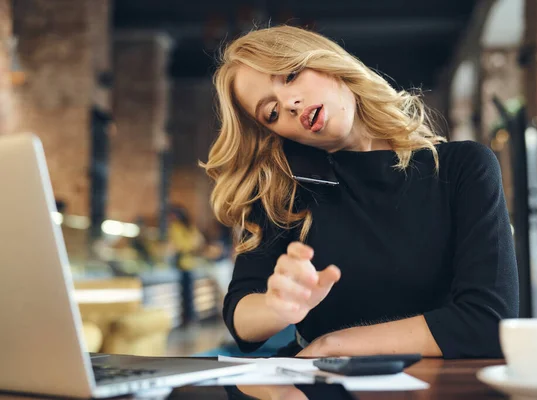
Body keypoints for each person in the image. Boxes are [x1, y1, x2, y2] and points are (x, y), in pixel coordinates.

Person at [201, 26, 519, 358]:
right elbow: (239, 315)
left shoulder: (464, 167)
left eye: (291, 75)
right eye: (272, 113)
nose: (289, 104)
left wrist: (335, 344)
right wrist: (275, 306)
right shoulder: (282, 188)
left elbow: (489, 322)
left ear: (325, 61)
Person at [167, 205, 204, 326]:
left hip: (183, 265)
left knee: (186, 294)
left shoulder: (176, 227)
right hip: (189, 264)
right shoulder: (189, 228)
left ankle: (188, 318)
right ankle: (189, 317)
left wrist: (185, 248)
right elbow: (196, 243)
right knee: (188, 294)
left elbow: (180, 245)